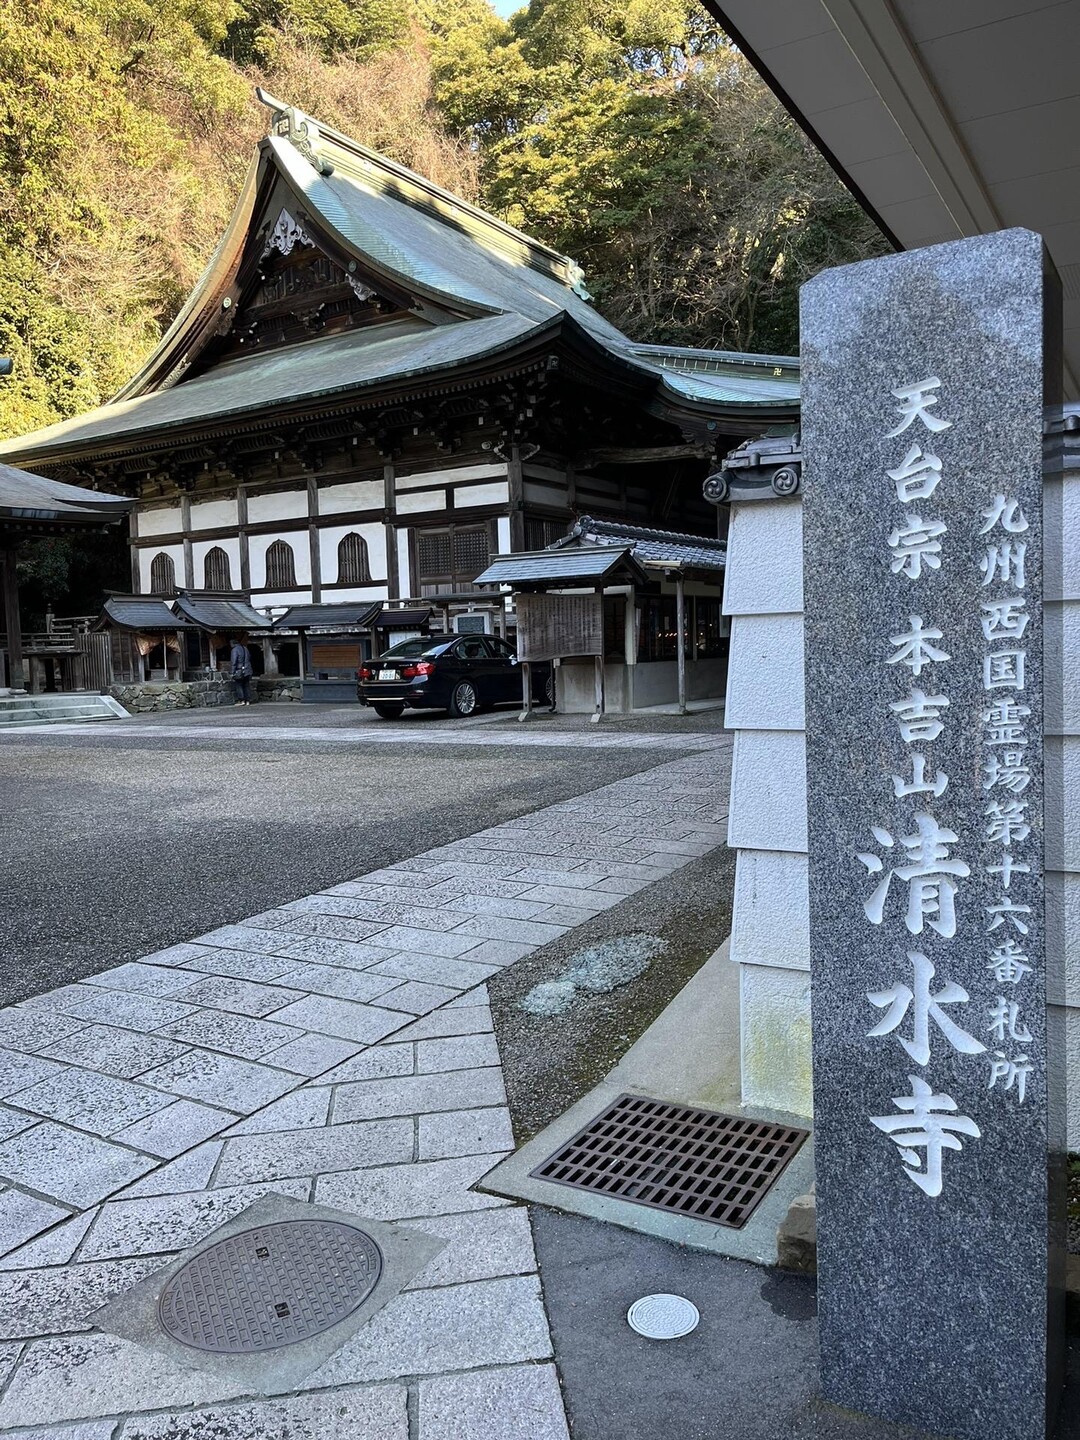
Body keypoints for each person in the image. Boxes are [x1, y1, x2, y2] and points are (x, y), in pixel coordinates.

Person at [230, 634, 253, 706]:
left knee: (239, 685)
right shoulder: (245, 648)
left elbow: (234, 661)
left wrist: (232, 672)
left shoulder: (234, 650)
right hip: (247, 669)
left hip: (239, 670)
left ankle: (242, 700)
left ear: (233, 643)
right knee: (246, 685)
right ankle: (248, 701)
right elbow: (249, 657)